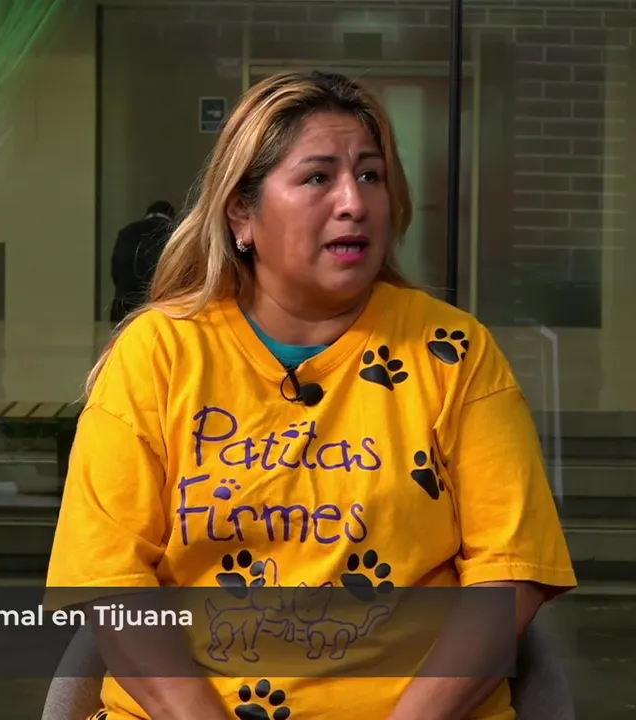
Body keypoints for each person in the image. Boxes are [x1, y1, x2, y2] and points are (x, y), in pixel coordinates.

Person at [47, 71, 576, 719]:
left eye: (371, 175)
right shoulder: (157, 355)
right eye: (318, 177)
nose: (354, 202)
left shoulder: (454, 352)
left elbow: (510, 573)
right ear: (242, 213)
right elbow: (110, 583)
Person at [109, 200, 176, 323]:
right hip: (157, 309)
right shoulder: (174, 234)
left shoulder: (126, 232)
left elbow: (115, 270)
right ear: (172, 216)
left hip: (123, 307)